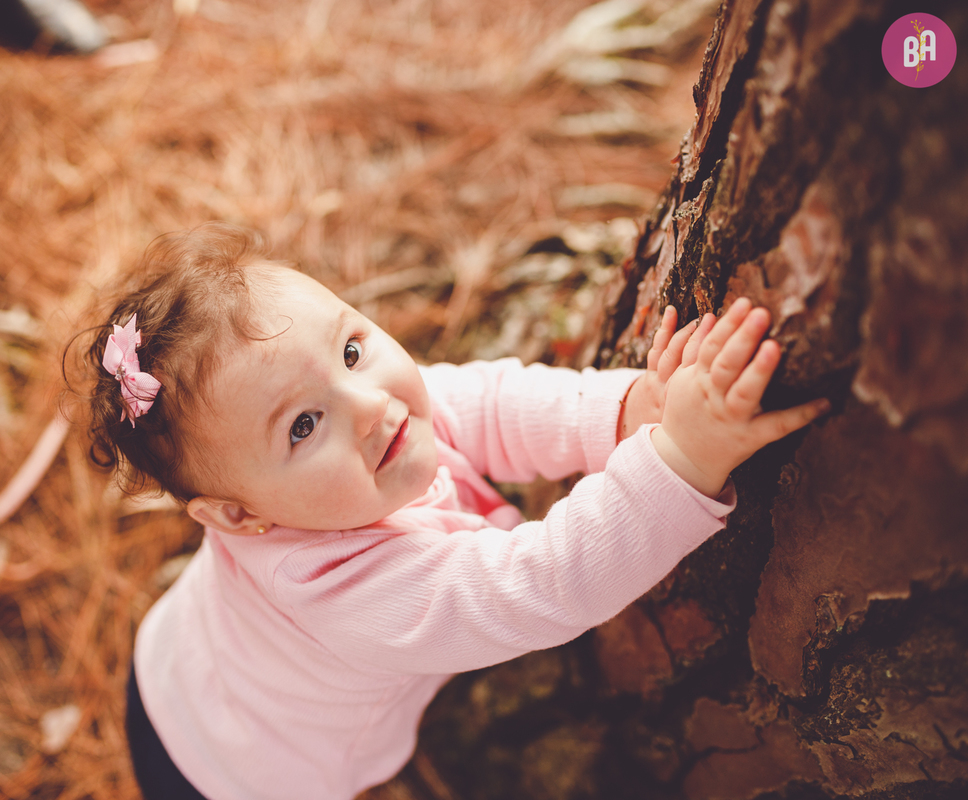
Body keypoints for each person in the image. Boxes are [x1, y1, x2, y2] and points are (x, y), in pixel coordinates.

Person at [78, 222, 829, 800]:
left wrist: (630, 410)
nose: (369, 407)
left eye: (349, 351)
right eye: (303, 427)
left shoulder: (347, 432)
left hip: (182, 657)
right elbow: (544, 583)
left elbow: (493, 406)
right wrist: (682, 462)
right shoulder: (351, 596)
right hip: (230, 768)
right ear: (238, 517)